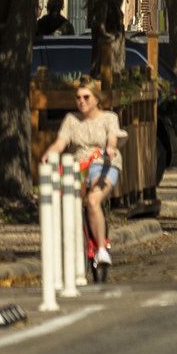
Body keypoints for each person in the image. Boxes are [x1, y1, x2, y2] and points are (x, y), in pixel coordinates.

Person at [46, 79, 125, 275]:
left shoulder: (109, 118)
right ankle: (71, 249)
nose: (82, 101)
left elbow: (113, 138)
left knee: (92, 200)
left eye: (86, 97)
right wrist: (49, 154)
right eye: (78, 98)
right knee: (65, 204)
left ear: (96, 99)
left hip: (103, 165)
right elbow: (60, 143)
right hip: (78, 167)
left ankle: (100, 249)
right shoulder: (71, 120)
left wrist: (110, 148)